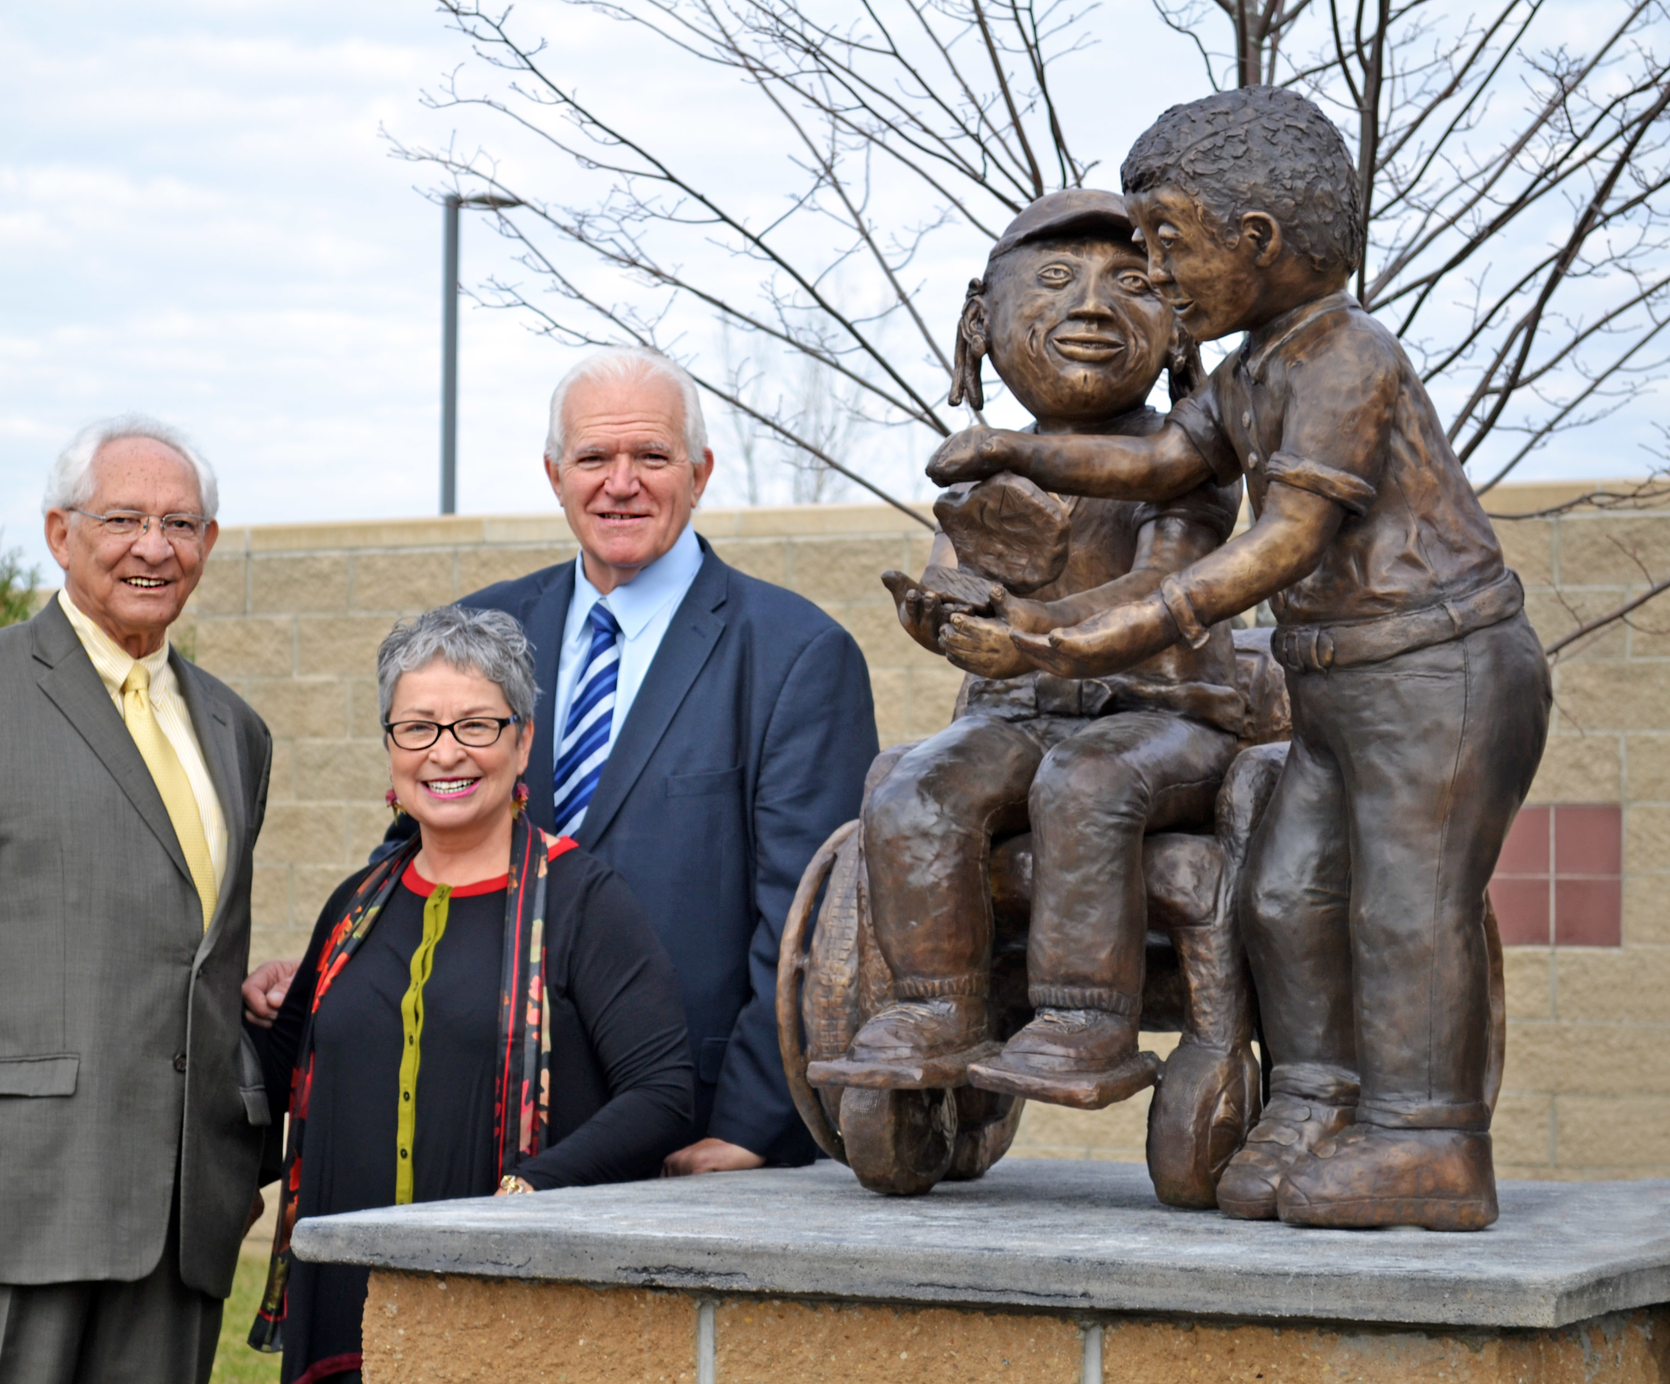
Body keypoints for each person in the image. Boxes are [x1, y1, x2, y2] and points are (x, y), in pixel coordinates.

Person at [927, 88, 1549, 1230]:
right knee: (1284, 892)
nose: (1153, 270)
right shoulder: (1258, 364)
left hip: (1442, 672)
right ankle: (1317, 1101)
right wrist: (1023, 445)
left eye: (1165, 242)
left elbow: (1281, 542)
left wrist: (1092, 629)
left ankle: (1428, 1140)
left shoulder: (1345, 360)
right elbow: (1169, 457)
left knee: (1402, 906)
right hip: (1342, 682)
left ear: (1255, 243)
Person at [248, 347, 879, 1172]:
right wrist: (337, 971)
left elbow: (814, 922)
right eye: (594, 458)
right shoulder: (483, 629)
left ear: (700, 471)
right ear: (554, 474)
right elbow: (418, 840)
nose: (622, 482)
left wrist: (754, 1127)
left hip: (689, 1131)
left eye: (651, 456)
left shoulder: (797, 655)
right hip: (477, 1106)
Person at [0, 416, 274, 1383]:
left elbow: (196, 948)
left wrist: (236, 1135)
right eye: (123, 517)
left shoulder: (235, 729)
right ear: (58, 532)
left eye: (182, 523)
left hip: (175, 1223)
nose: (154, 546)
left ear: (208, 541)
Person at [805, 189, 1243, 1109]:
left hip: (1162, 722)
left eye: (1131, 283)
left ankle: (1086, 1017)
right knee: (916, 787)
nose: (1091, 306)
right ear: (983, 319)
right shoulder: (987, 462)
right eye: (1054, 280)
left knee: (1088, 780)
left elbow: (1157, 596)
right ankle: (937, 1008)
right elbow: (959, 577)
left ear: (1177, 326)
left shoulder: (1190, 459)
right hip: (1016, 715)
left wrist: (1029, 633)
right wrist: (942, 613)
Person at [241, 605, 694, 1384]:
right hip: (347, 1304)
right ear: (390, 748)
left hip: (514, 1302)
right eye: (417, 727)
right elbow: (277, 1074)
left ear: (522, 741)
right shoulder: (356, 906)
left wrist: (530, 1186)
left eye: (476, 726)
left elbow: (662, 1094)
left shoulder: (585, 900)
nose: (445, 753)